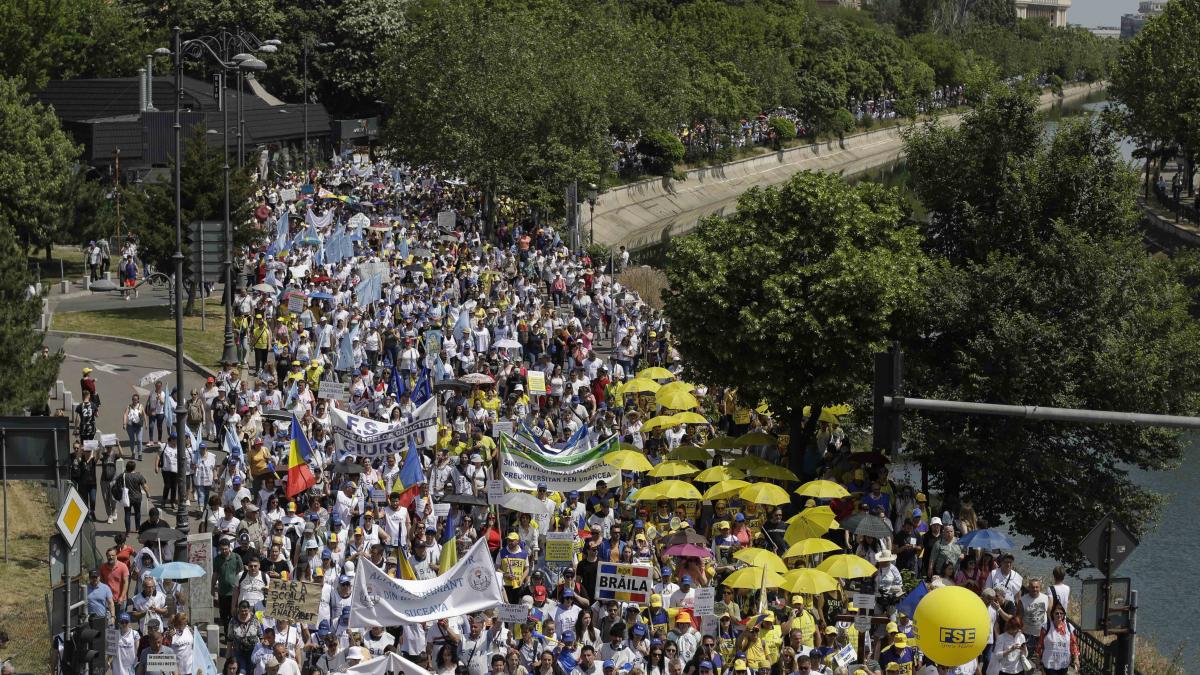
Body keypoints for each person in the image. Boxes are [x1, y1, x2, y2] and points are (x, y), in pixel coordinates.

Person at [1036, 603, 1078, 675]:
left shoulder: (1068, 627)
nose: (1059, 615)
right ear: (1052, 614)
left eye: (1061, 613)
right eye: (1057, 613)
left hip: (1063, 663)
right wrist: (1038, 658)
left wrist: (1076, 658)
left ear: (1064, 615)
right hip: (1049, 663)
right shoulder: (1046, 627)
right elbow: (1040, 644)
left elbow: (1073, 644)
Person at [116, 460, 152, 533]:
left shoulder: (123, 475)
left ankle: (128, 531)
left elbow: (117, 484)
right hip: (137, 497)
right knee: (137, 512)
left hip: (127, 498)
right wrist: (148, 494)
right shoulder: (139, 476)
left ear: (126, 467)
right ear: (134, 468)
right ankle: (138, 528)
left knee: (127, 513)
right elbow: (144, 486)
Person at [124, 393, 145, 461]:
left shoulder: (141, 406)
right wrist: (124, 424)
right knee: (132, 440)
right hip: (130, 426)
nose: (134, 401)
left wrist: (146, 423)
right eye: (133, 399)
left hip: (139, 426)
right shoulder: (129, 407)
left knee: (139, 440)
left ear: (138, 400)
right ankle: (133, 453)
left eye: (136, 400)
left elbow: (144, 415)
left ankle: (140, 454)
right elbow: (125, 415)